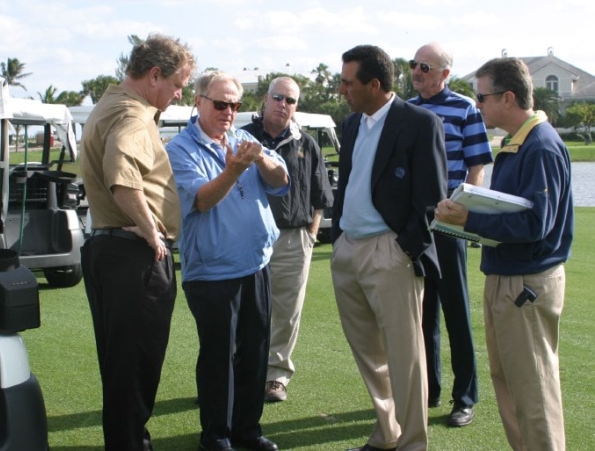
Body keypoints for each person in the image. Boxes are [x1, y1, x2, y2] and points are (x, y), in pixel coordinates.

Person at [435, 57, 573, 451]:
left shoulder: (541, 146)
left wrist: (469, 220)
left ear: (508, 97)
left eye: (482, 97)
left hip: (526, 282)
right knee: (509, 382)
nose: (477, 105)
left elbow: (535, 225)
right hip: (508, 276)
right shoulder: (521, 143)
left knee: (533, 390)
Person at [79, 33, 195, 451]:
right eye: (177, 84)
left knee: (121, 367)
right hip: (134, 258)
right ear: (153, 75)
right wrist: (150, 229)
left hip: (109, 249)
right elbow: (121, 173)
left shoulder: (108, 105)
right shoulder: (132, 115)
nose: (179, 93)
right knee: (135, 369)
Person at [331, 44, 447, 451]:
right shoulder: (350, 125)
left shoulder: (419, 123)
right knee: (369, 353)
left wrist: (404, 248)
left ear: (374, 84)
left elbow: (432, 199)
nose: (341, 89)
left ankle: (413, 442)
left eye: (348, 82)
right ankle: (388, 432)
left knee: (405, 356)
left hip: (390, 251)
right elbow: (348, 184)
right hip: (348, 249)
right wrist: (340, 237)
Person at [166, 71, 289, 451]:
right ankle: (216, 436)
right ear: (198, 102)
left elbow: (282, 178)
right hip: (212, 272)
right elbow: (200, 200)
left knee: (254, 354)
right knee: (219, 357)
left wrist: (262, 163)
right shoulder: (179, 149)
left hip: (254, 263)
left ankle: (247, 431)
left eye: (235, 105)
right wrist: (235, 168)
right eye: (221, 104)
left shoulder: (243, 138)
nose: (229, 112)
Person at [407, 42, 493, 427]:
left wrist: (461, 210)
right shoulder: (407, 109)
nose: (417, 71)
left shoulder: (465, 108)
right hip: (416, 224)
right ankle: (429, 390)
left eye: (425, 66)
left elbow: (477, 167)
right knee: (422, 313)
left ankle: (465, 398)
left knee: (456, 311)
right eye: (414, 64)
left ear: (444, 73)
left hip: (450, 223)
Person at [241, 76, 334, 403]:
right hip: (246, 237)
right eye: (278, 98)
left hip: (294, 238)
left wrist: (310, 235)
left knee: (286, 312)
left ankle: (276, 377)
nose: (283, 105)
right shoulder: (242, 138)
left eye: (290, 101)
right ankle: (238, 374)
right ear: (265, 100)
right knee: (242, 309)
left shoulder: (306, 144)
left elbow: (320, 196)